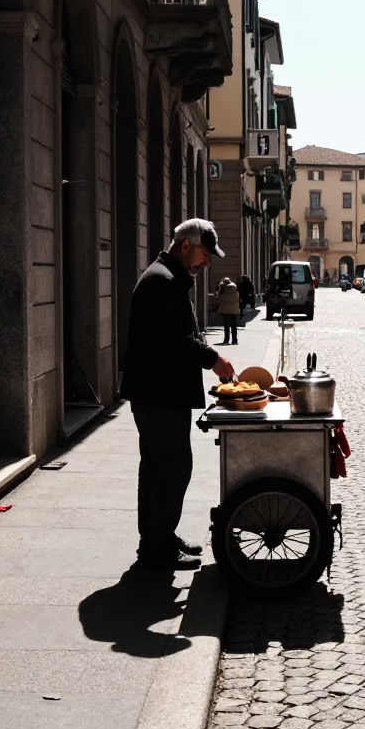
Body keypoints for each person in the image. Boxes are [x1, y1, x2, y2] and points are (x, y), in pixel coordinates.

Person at [121, 219, 234, 568]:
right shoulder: (161, 281)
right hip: (159, 395)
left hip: (159, 392)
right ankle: (158, 549)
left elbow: (179, 334)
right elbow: (174, 342)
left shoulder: (168, 278)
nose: (207, 262)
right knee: (172, 468)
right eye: (204, 254)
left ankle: (158, 539)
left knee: (157, 468)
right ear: (185, 246)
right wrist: (213, 358)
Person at [217, 276, 240, 345]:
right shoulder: (235, 289)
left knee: (226, 326)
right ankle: (234, 340)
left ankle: (226, 340)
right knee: (234, 326)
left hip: (225, 311)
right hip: (234, 310)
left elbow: (218, 299)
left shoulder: (223, 290)